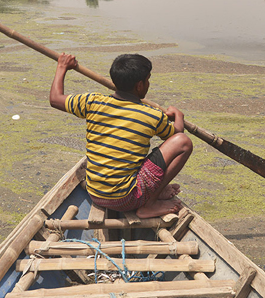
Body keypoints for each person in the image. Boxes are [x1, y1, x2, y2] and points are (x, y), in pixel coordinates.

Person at [49, 52, 193, 218]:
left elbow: (55, 99)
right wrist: (178, 116)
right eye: (148, 80)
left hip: (95, 193)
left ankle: (155, 191)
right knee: (184, 142)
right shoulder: (152, 115)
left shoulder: (92, 102)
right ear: (139, 85)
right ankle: (150, 204)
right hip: (127, 198)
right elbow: (176, 137)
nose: (148, 84)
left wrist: (62, 66)